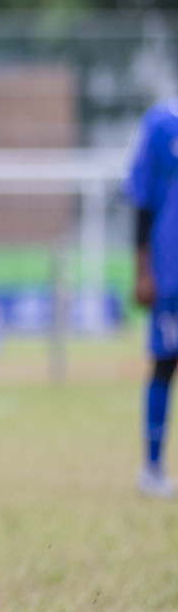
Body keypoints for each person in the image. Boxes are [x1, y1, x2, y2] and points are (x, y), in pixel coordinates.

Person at [126, 98, 178, 498]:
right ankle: (153, 468)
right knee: (165, 362)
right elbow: (141, 202)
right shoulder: (161, 123)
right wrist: (142, 269)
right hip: (170, 266)